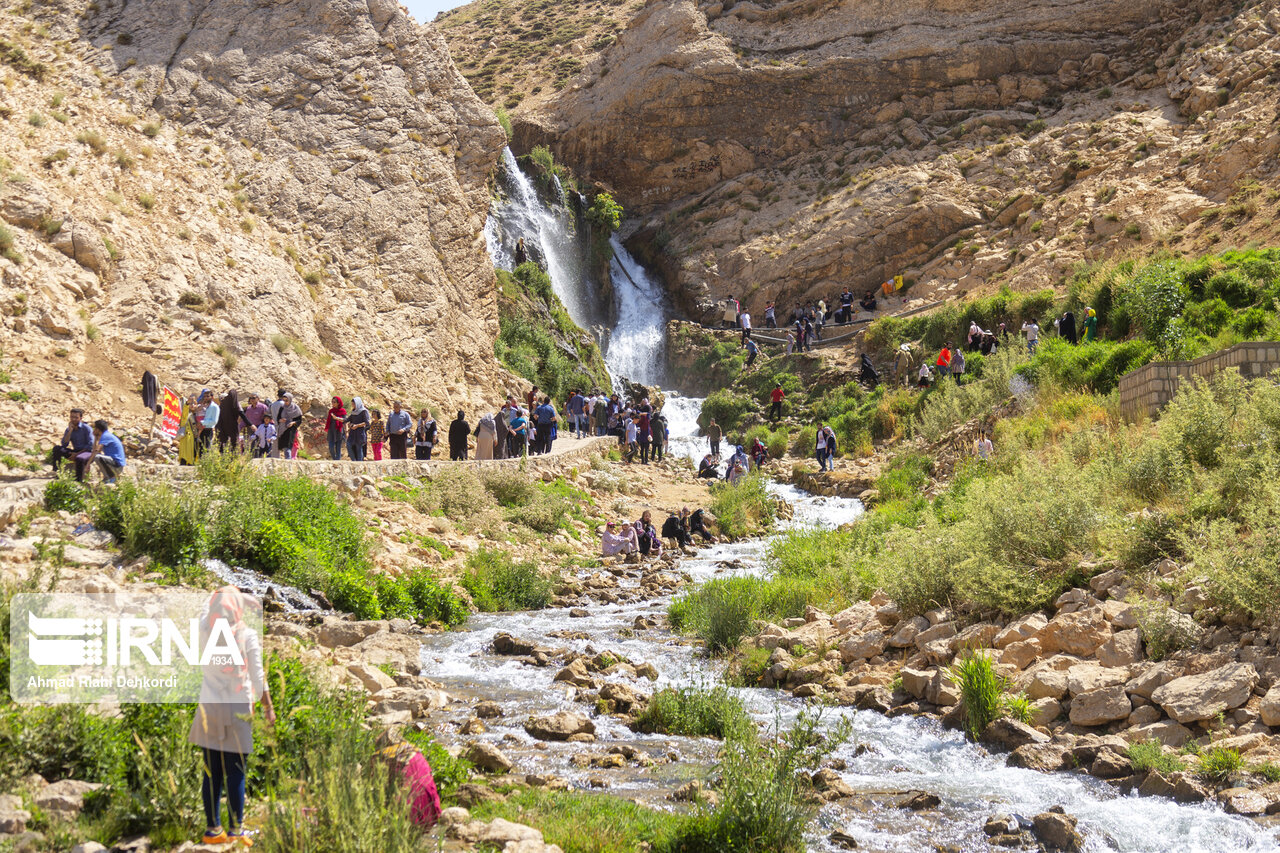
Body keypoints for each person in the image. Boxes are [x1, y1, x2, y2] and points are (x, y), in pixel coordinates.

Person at [188, 587, 274, 846]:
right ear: (237, 609)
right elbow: (258, 679)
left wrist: (219, 593)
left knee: (211, 771)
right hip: (238, 709)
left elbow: (207, 607)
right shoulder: (246, 635)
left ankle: (213, 830)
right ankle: (237, 831)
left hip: (210, 708)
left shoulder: (204, 630)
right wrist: (268, 707)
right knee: (236, 770)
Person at [52, 407, 94, 481]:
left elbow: (91, 445)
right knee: (57, 449)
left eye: (76, 417)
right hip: (76, 451)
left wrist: (77, 454)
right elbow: (64, 444)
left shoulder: (87, 428)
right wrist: (70, 431)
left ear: (81, 418)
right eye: (72, 417)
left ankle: (79, 480)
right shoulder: (69, 429)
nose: (73, 419)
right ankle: (56, 472)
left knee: (80, 458)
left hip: (87, 452)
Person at [90, 419, 126, 483]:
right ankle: (108, 476)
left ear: (98, 429)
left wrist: (88, 465)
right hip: (115, 463)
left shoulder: (105, 436)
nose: (94, 430)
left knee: (98, 457)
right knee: (98, 457)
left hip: (117, 464)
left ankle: (110, 477)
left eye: (95, 428)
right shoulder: (106, 435)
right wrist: (95, 438)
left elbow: (96, 450)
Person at [276, 393, 303, 460]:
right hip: (283, 429)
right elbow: (278, 418)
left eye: (286, 400)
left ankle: (288, 461)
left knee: (288, 446)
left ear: (290, 400)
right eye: (284, 400)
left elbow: (299, 420)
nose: (285, 402)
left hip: (291, 429)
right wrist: (281, 420)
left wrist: (293, 422)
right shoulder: (282, 408)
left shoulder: (295, 408)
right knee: (284, 447)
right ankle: (288, 460)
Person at [345, 397, 371, 462]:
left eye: (354, 404)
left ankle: (359, 464)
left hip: (360, 432)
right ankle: (354, 461)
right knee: (348, 445)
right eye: (352, 404)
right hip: (353, 433)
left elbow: (366, 423)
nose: (353, 406)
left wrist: (357, 425)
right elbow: (348, 419)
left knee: (359, 448)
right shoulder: (353, 412)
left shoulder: (363, 411)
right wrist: (337, 418)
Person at [197, 389, 219, 458]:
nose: (206, 398)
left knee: (206, 449)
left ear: (212, 397)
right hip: (202, 429)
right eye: (205, 396)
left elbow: (214, 421)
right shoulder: (206, 407)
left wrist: (202, 422)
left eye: (207, 396)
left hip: (208, 430)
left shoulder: (214, 407)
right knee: (200, 449)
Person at [324, 396, 346, 460]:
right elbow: (329, 421)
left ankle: (337, 461)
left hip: (339, 430)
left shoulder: (342, 411)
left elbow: (345, 420)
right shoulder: (331, 411)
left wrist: (337, 418)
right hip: (331, 430)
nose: (333, 403)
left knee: (338, 447)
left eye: (334, 402)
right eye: (332, 402)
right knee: (331, 447)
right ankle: (334, 459)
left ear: (338, 403)